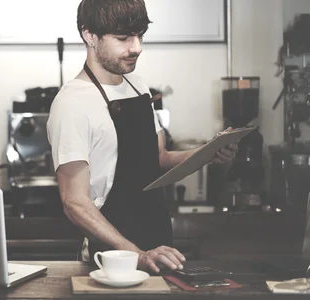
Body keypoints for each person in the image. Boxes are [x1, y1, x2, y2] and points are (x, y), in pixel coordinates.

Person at [46, 0, 238, 274]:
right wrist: (135, 254)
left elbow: (159, 158)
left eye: (139, 35)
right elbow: (75, 202)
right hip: (110, 260)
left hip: (158, 247)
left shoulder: (137, 85)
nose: (136, 47)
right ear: (89, 35)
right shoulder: (72, 103)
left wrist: (209, 151)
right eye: (123, 38)